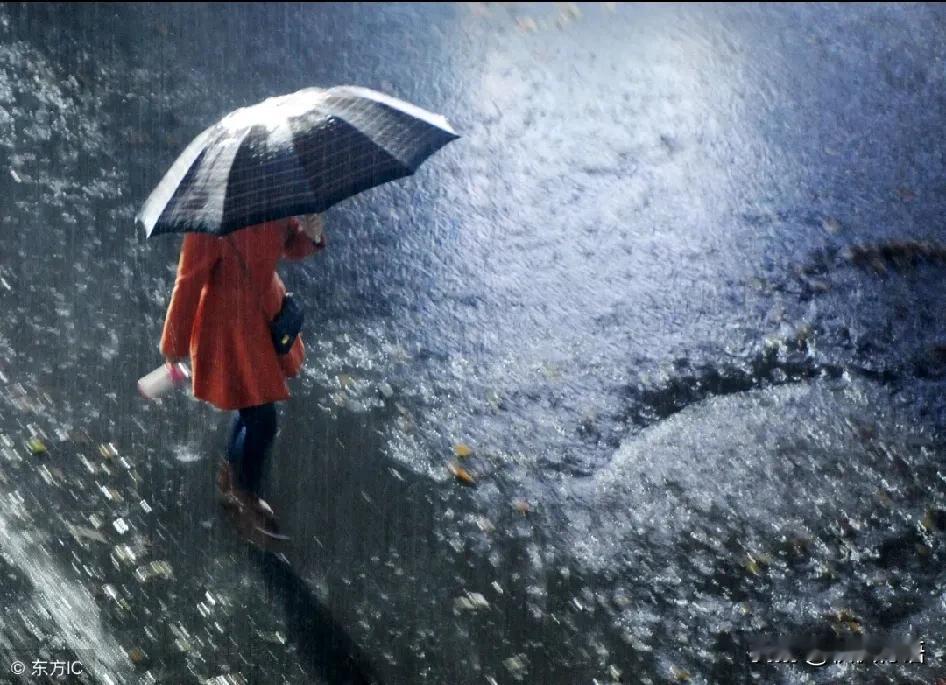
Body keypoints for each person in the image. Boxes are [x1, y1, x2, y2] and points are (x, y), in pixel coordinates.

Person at [159, 214, 326, 537]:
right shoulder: (210, 221)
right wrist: (174, 341)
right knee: (262, 418)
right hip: (229, 328)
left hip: (263, 314)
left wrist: (310, 233)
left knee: (250, 403)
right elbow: (189, 281)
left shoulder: (270, 198)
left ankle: (232, 475)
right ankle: (243, 489)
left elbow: (288, 246)